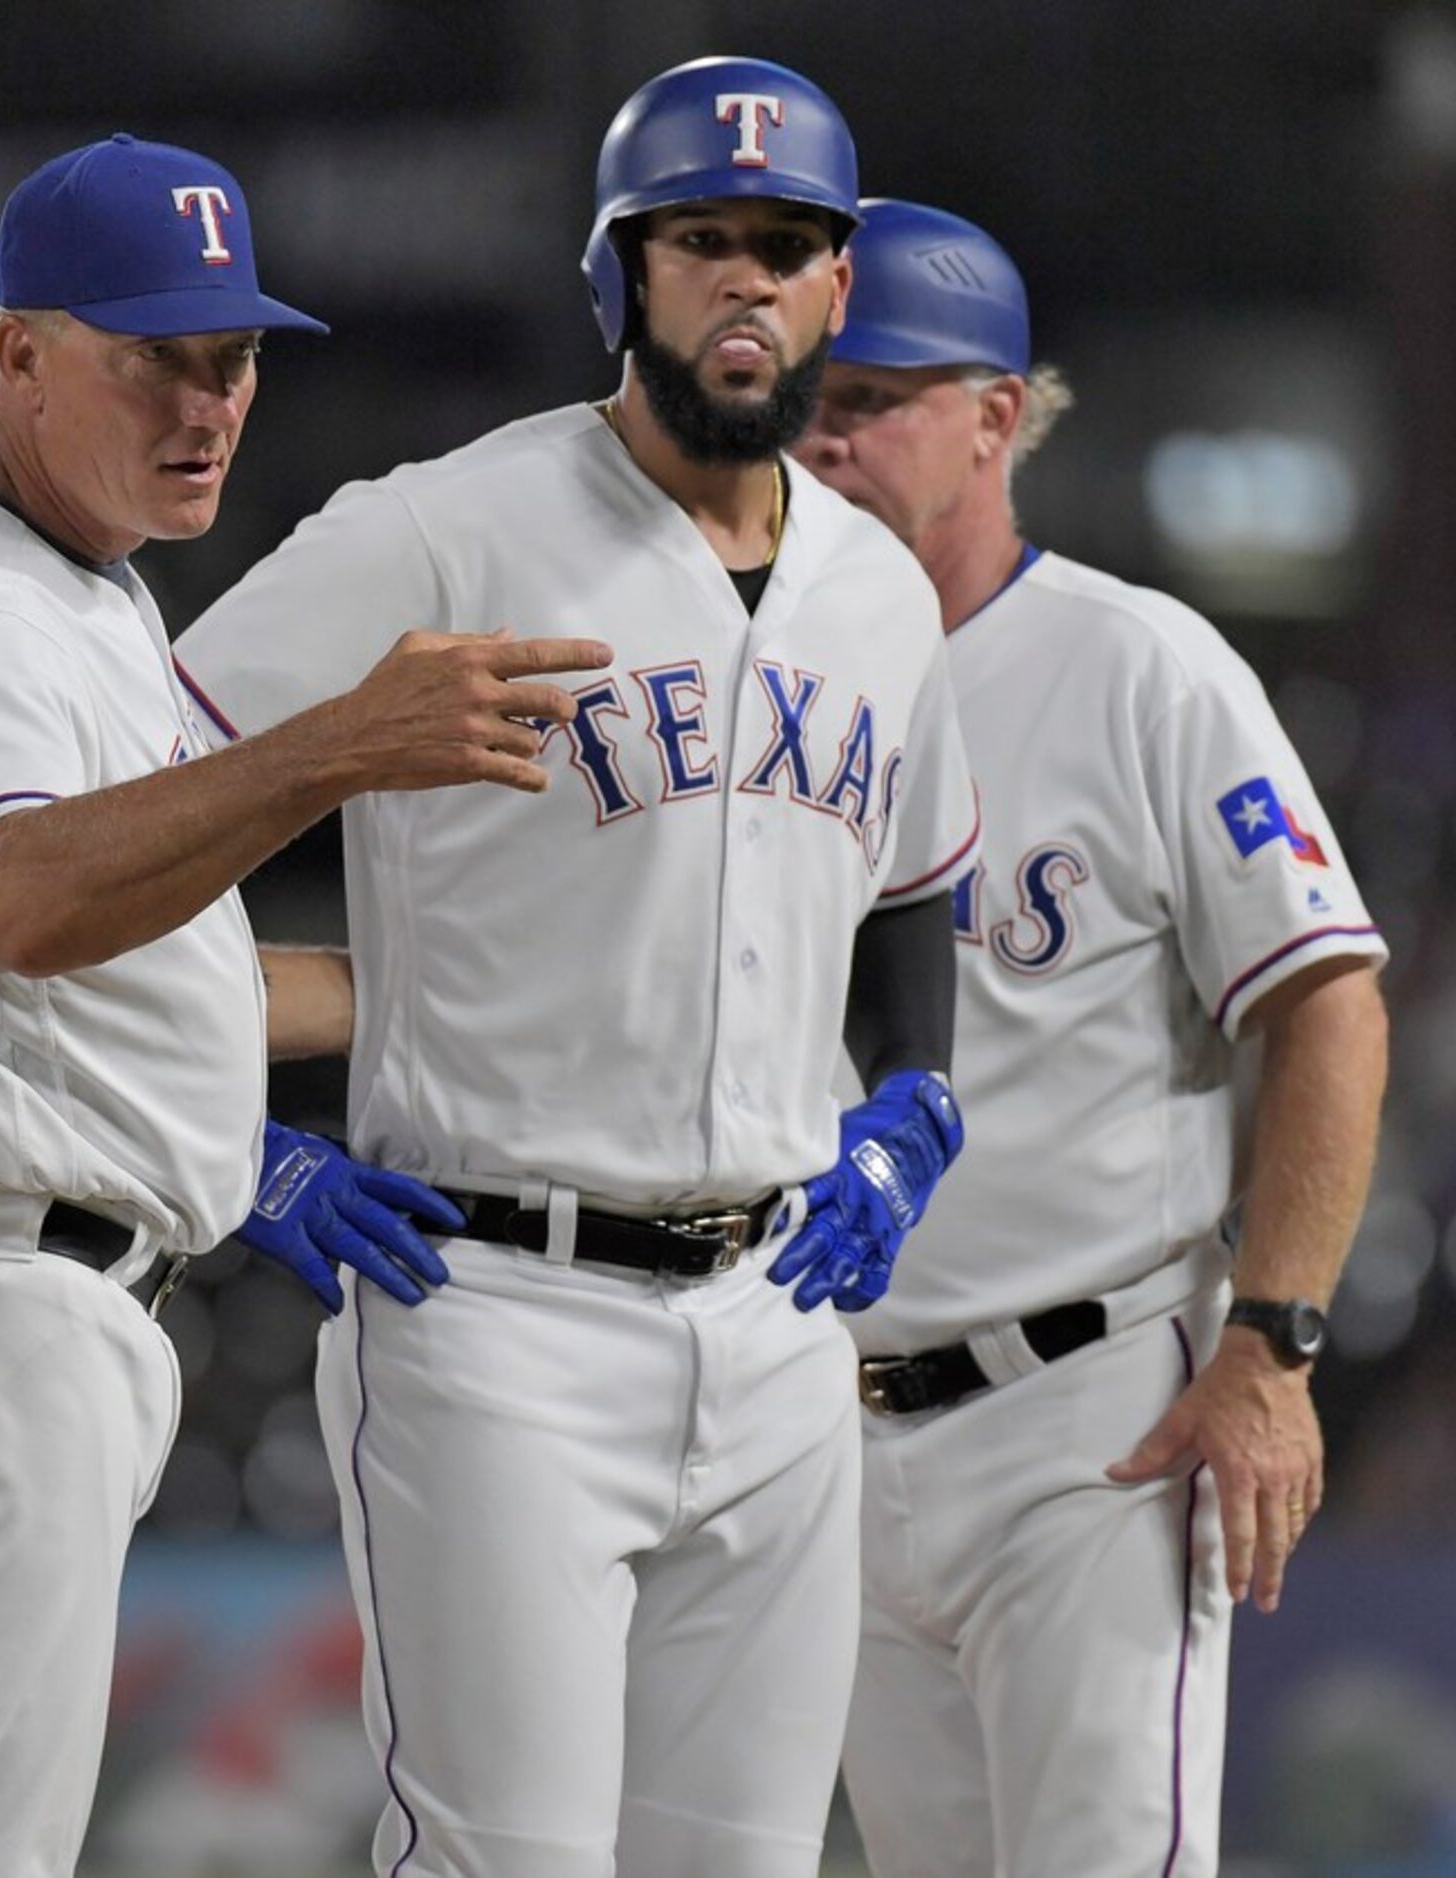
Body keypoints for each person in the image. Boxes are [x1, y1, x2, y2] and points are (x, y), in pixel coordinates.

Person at [0, 133, 609, 1877]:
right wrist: (342, 744)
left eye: (235, 356)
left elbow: (142, 962)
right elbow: (36, 896)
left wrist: (445, 988)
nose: (208, 400)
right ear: (20, 355)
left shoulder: (65, 589)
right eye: (157, 355)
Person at [172, 57, 977, 1878]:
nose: (747, 280)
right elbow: (125, 808)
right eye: (703, 239)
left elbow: (918, 873)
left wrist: (917, 1101)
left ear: (841, 285)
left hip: (781, 1325)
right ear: (620, 273)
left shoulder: (882, 592)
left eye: (788, 244)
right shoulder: (442, 527)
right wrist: (229, 1139)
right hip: (492, 1315)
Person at [792, 199, 1390, 1877]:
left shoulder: (1139, 665)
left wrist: (1270, 1346)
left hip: (1089, 1422)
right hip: (831, 1426)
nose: (830, 441)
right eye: (814, 404)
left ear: (998, 414)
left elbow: (1327, 998)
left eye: (877, 401)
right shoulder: (773, 687)